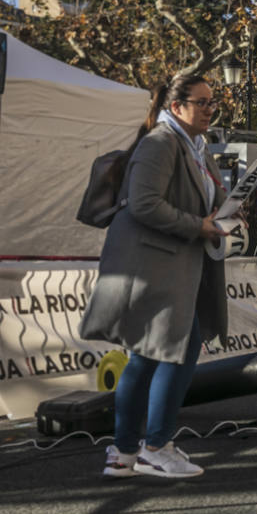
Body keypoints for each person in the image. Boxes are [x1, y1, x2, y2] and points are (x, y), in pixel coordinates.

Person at [80, 74, 228, 479]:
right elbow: (144, 204)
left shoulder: (193, 146)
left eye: (212, 102)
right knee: (173, 351)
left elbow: (204, 199)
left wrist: (224, 218)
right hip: (154, 267)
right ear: (176, 107)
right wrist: (199, 226)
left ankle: (125, 452)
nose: (210, 109)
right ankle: (154, 447)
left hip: (168, 266)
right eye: (202, 102)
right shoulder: (161, 143)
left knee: (147, 357)